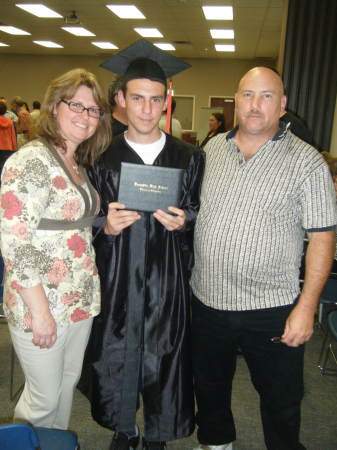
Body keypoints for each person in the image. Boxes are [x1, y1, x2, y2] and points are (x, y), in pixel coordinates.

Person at [190, 67, 336, 450]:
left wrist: (306, 307)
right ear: (236, 100)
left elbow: (322, 238)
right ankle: (216, 443)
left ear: (282, 104)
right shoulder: (211, 150)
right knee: (209, 386)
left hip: (271, 307)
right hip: (207, 299)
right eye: (248, 95)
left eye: (267, 96)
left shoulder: (308, 163)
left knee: (281, 398)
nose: (256, 105)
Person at [81, 39, 204, 450]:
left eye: (155, 99)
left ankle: (157, 433)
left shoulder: (189, 157)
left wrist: (187, 221)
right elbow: (84, 222)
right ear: (120, 99)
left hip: (168, 279)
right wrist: (106, 227)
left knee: (164, 352)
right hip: (117, 278)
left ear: (166, 100)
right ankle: (124, 428)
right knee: (117, 351)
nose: (147, 109)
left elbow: (204, 215)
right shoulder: (100, 157)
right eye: (138, 98)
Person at [0, 68, 111, 429]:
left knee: (64, 387)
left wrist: (105, 224)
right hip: (42, 302)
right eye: (75, 105)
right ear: (53, 107)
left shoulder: (75, 162)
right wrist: (40, 311)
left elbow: (71, 223)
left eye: (93, 110)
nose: (85, 116)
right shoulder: (31, 160)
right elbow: (16, 243)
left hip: (76, 299)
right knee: (42, 399)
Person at [0, 100, 16, 176]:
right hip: (7, 148)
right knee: (4, 169)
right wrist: (14, 148)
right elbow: (12, 135)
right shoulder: (10, 122)